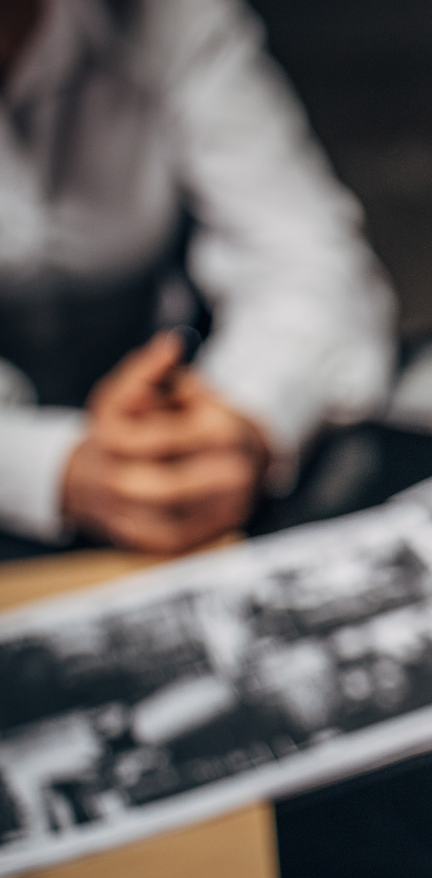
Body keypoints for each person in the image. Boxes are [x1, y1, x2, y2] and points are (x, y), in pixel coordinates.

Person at [0, 0, 395, 555]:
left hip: (176, 415)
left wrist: (240, 419)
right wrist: (52, 469)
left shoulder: (170, 16)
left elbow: (305, 257)